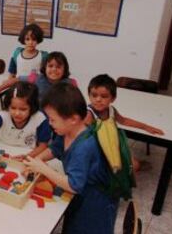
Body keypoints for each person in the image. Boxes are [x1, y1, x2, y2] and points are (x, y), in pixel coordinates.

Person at [24, 82, 118, 234]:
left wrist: (43, 169)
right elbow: (55, 148)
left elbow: (74, 185)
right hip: (82, 196)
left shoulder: (84, 147)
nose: (50, 123)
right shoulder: (68, 130)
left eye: (53, 119)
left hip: (96, 205)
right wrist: (37, 161)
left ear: (73, 119)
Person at [84, 74, 164, 171]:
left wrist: (146, 127)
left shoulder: (111, 110)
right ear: (89, 95)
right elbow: (82, 138)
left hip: (112, 145)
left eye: (104, 96)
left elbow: (124, 120)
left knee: (132, 166)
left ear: (113, 98)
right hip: (97, 151)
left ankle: (133, 165)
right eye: (94, 95)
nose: (98, 99)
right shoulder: (89, 114)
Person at [0, 81, 52, 172]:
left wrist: (28, 156)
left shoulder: (40, 119)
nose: (17, 113)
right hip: (2, 152)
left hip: (26, 155)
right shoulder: (3, 116)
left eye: (23, 109)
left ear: (32, 107)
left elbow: (43, 146)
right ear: (8, 106)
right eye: (13, 108)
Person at [0, 51, 77, 103]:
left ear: (65, 69)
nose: (54, 69)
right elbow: (17, 79)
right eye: (50, 66)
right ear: (44, 67)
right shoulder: (37, 78)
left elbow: (76, 102)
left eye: (58, 67)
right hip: (39, 116)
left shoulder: (70, 84)